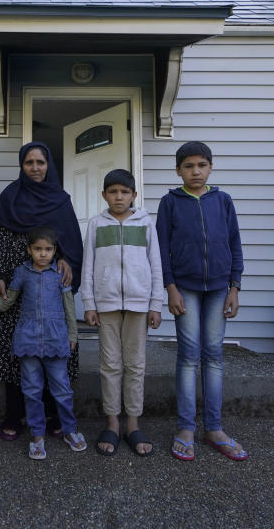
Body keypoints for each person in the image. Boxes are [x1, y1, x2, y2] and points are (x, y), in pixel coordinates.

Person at [156, 141, 248, 462]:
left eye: (201, 165)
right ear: (178, 170)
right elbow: (162, 249)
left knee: (214, 356)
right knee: (188, 355)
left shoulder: (222, 201)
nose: (195, 171)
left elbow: (234, 243)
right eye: (188, 166)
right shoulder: (170, 203)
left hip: (220, 289)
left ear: (210, 167)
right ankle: (185, 427)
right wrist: (170, 287)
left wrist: (235, 286)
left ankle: (214, 428)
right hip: (186, 288)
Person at [0, 142, 83, 440]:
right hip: (17, 289)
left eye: (41, 162)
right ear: (22, 165)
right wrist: (1, 276)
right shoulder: (9, 198)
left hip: (51, 291)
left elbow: (71, 239)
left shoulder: (60, 200)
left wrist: (66, 258)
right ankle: (15, 415)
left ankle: (54, 413)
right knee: (17, 351)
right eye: (29, 162)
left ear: (48, 165)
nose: (35, 168)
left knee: (54, 351)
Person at [0, 226, 86, 459]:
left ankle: (69, 429)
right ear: (29, 250)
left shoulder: (60, 274)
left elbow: (69, 308)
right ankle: (37, 435)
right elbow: (7, 302)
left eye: (48, 249)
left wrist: (72, 336)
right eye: (38, 249)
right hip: (29, 340)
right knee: (32, 390)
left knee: (62, 389)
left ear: (55, 251)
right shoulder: (22, 272)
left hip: (55, 340)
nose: (43, 254)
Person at [80, 169, 163, 457]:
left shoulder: (146, 223)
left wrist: (156, 304)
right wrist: (89, 303)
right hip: (107, 305)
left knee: (135, 365)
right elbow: (87, 265)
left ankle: (133, 424)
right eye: (112, 192)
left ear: (134, 196)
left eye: (124, 192)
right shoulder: (96, 224)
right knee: (110, 365)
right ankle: (112, 423)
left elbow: (155, 265)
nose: (118, 197)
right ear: (104, 195)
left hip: (140, 305)